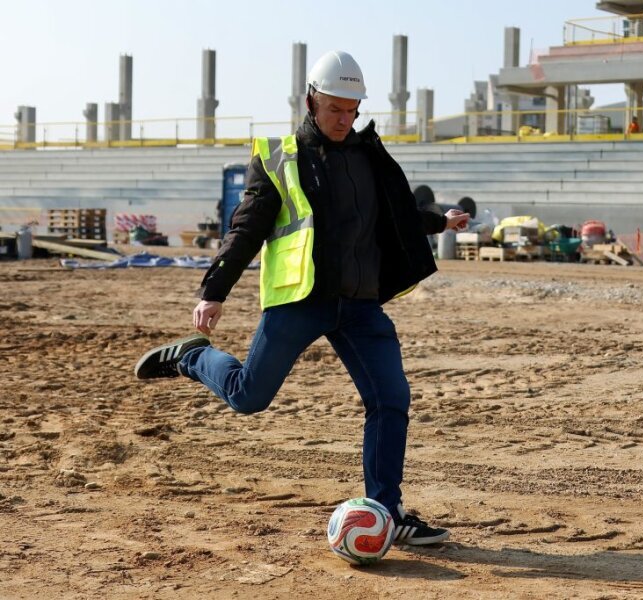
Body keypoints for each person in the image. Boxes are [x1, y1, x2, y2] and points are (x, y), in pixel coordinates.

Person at [133, 50, 468, 546]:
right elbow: (245, 229)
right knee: (250, 396)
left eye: (352, 109)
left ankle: (386, 510)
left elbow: (395, 214)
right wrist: (214, 291)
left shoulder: (369, 157)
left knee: (391, 398)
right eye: (335, 108)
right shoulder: (280, 156)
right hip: (300, 300)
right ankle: (195, 358)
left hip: (359, 304)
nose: (344, 119)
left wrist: (441, 222)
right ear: (310, 99)